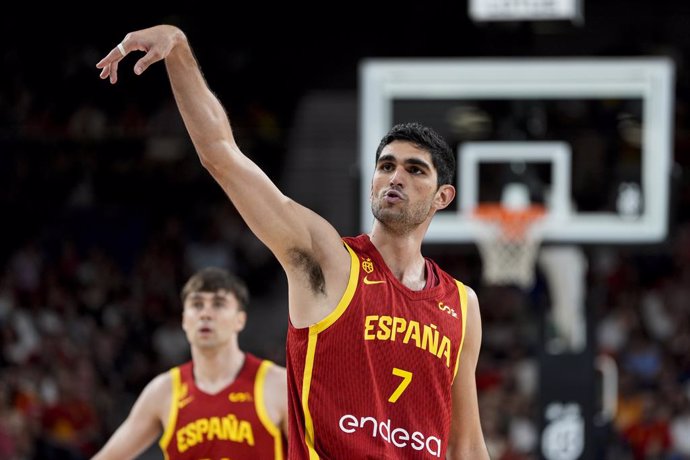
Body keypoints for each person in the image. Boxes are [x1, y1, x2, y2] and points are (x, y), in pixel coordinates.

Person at [97, 25, 490, 459]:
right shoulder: (329, 260)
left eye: (415, 170)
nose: (395, 177)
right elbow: (220, 153)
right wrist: (179, 50)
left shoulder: (461, 304)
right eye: (386, 166)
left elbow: (467, 445)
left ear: (443, 197)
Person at [91, 267, 288, 460]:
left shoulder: (279, 385)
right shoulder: (163, 391)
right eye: (197, 304)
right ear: (184, 320)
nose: (205, 314)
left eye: (219, 304)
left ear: (240, 320)